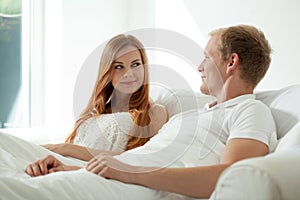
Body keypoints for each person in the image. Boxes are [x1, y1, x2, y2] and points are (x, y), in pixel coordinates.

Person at [0, 24, 276, 199]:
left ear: (231, 63)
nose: (199, 66)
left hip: (136, 188)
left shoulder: (249, 111)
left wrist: (128, 174)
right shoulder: (190, 116)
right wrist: (68, 167)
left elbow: (229, 178)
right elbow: (136, 159)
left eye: (206, 56)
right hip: (116, 178)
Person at [40, 34, 169, 161]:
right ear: (107, 72)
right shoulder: (93, 112)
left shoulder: (155, 112)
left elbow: (137, 160)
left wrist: (67, 148)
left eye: (135, 64)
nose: (128, 73)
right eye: (119, 67)